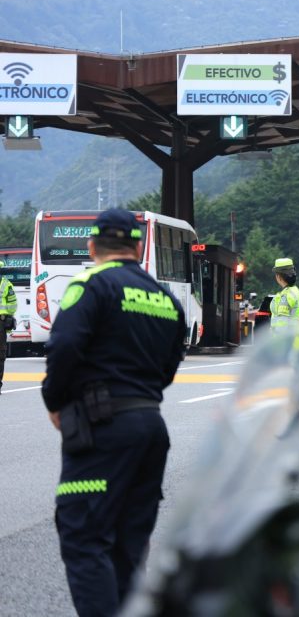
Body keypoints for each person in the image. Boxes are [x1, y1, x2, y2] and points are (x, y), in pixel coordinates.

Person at [41, 209, 187, 617]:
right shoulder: (165, 298)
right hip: (150, 426)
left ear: (92, 246)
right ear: (138, 248)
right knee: (130, 546)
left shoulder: (91, 284)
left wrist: (55, 401)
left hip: (101, 428)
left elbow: (64, 346)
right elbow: (170, 364)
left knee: (85, 539)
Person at [270, 257, 299, 332]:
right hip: (292, 335)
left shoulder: (286, 296)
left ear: (278, 276)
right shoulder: (295, 290)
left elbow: (282, 324)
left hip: (283, 338)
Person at [0, 260, 16, 394]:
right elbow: (12, 305)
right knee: (0, 355)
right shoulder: (6, 284)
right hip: (1, 322)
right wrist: (9, 321)